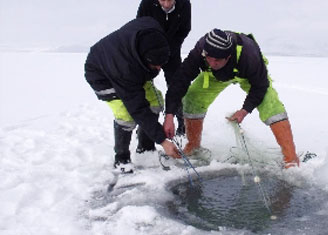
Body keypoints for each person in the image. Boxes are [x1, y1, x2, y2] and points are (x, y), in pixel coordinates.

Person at [163, 29, 300, 168]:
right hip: (214, 76)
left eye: (217, 60)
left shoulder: (249, 55)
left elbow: (260, 86)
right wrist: (169, 115)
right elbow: (180, 81)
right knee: (192, 98)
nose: (212, 62)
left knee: (270, 105)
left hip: (246, 74)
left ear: (228, 57)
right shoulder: (201, 50)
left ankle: (290, 158)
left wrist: (244, 110)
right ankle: (193, 146)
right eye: (208, 58)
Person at [84, 17, 181, 173]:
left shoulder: (155, 34)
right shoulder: (124, 70)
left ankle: (145, 150)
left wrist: (170, 115)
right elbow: (137, 107)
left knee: (155, 103)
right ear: (144, 58)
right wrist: (163, 141)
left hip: (135, 68)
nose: (159, 69)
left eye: (160, 65)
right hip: (102, 76)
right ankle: (122, 159)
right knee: (127, 116)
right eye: (155, 66)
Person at [136, 0, 191, 152]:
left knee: (177, 86)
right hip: (148, 52)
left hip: (172, 51)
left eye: (170, 0)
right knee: (145, 89)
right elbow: (139, 26)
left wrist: (169, 48)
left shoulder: (184, 4)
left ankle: (182, 126)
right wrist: (152, 48)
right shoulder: (147, 3)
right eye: (163, 0)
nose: (166, 4)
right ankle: (145, 135)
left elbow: (185, 29)